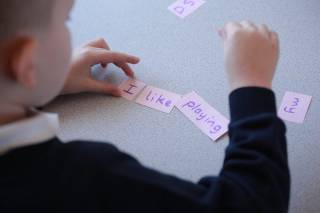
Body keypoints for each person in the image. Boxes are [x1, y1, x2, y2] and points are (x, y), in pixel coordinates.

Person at [0, 0, 290, 212]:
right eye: (67, 19)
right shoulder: (85, 179)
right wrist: (251, 86)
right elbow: (250, 203)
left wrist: (36, 84)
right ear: (27, 62)